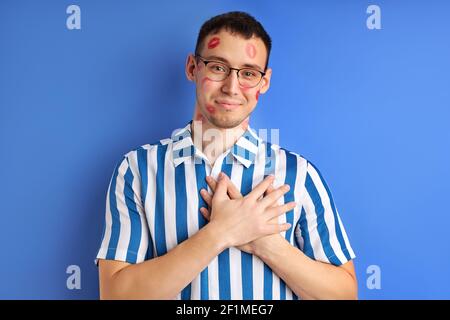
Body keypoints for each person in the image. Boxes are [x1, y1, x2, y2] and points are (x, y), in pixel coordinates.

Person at [95, 11, 357, 300]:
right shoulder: (139, 169)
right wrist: (219, 233)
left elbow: (344, 295)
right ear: (193, 68)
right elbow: (116, 295)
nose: (232, 87)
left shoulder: (298, 174)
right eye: (218, 67)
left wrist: (263, 242)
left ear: (264, 82)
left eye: (248, 73)